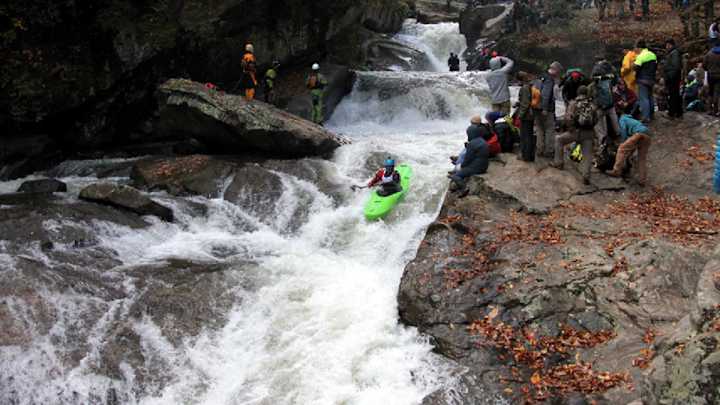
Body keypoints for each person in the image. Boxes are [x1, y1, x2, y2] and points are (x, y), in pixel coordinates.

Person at [549, 86, 596, 184]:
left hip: (575, 132)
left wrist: (571, 129)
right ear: (587, 93)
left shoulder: (573, 103)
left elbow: (568, 118)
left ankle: (558, 163)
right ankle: (586, 176)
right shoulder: (592, 104)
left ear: (578, 93)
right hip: (589, 133)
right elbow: (596, 119)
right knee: (587, 155)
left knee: (559, 140)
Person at [607, 110, 651, 186]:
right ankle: (642, 180)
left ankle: (616, 171)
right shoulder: (631, 119)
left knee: (621, 149)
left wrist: (622, 142)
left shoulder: (622, 119)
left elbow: (623, 132)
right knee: (641, 159)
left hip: (639, 134)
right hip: (647, 135)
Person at [534, 61, 563, 158]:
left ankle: (539, 150)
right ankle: (549, 151)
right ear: (556, 70)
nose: (559, 74)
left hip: (536, 107)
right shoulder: (549, 79)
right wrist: (545, 108)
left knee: (539, 129)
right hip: (546, 109)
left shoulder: (541, 76)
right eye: (559, 72)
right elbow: (546, 95)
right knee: (549, 129)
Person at [449, 123, 490, 189]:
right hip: (484, 166)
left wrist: (459, 167)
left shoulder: (472, 143)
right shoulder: (483, 140)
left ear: (471, 134)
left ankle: (464, 188)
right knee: (460, 169)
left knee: (455, 176)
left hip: (477, 169)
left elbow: (467, 160)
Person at [588, 61, 620, 145]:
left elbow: (591, 95)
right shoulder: (609, 77)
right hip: (610, 105)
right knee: (615, 122)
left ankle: (602, 141)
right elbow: (616, 81)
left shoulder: (594, 83)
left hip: (600, 106)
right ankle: (620, 137)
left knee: (599, 124)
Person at [634, 40, 657, 122]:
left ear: (639, 48)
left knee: (644, 98)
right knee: (650, 97)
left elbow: (636, 67)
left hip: (642, 80)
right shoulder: (653, 55)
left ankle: (645, 117)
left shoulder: (641, 56)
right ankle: (652, 114)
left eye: (636, 48)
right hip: (651, 79)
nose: (635, 49)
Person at [516, 71, 536, 161]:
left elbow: (525, 103)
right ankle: (530, 155)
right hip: (531, 114)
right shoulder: (530, 85)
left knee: (525, 136)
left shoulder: (524, 88)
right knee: (529, 135)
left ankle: (526, 156)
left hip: (526, 116)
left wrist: (520, 115)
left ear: (521, 80)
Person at [663, 38, 683, 119]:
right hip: (673, 77)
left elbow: (676, 66)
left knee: (673, 95)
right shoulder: (673, 53)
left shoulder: (674, 53)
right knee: (675, 95)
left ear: (670, 45)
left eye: (667, 45)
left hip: (673, 78)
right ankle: (678, 112)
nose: (666, 47)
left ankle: (672, 113)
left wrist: (669, 76)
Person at [703, 43, 720, 116]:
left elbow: (704, 65)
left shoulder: (708, 54)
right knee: (717, 92)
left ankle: (709, 109)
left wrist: (708, 69)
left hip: (710, 75)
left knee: (710, 92)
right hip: (719, 76)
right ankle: (716, 110)